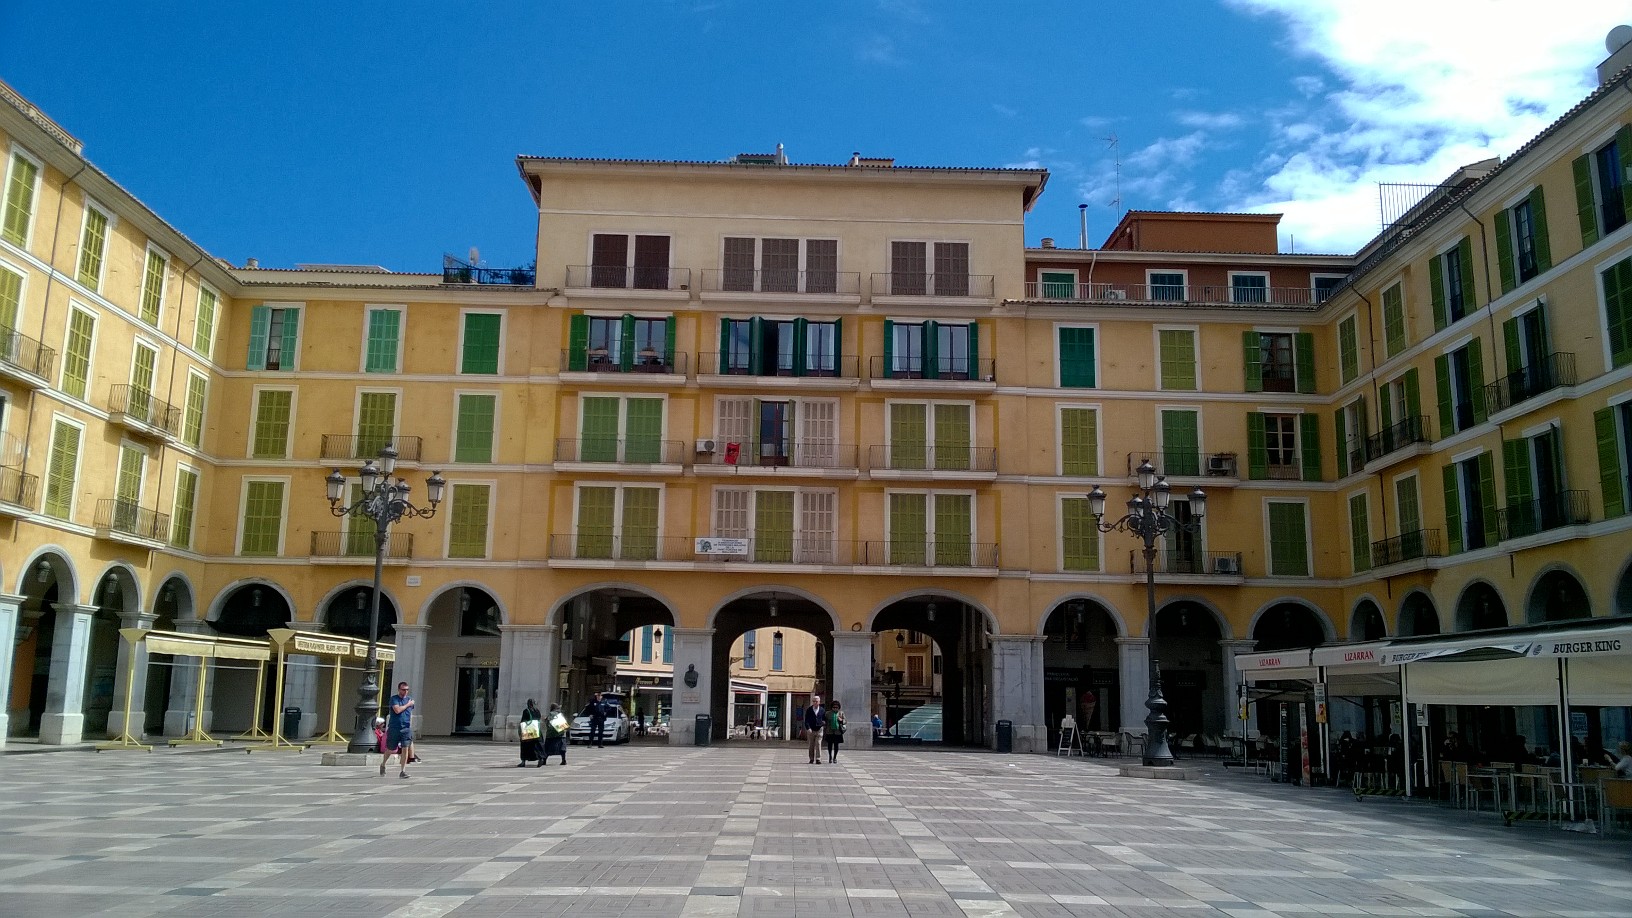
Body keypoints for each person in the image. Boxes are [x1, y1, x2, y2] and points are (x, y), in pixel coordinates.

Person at [382, 681, 416, 779]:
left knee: (405, 749)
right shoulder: (394, 699)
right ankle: (383, 764)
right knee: (390, 749)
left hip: (405, 729)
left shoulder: (410, 700)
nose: (405, 691)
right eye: (403, 689)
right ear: (399, 690)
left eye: (407, 690)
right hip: (394, 728)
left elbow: (410, 714)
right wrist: (408, 704)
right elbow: (397, 710)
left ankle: (403, 771)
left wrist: (410, 726)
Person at [518, 698, 542, 767]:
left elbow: (523, 721)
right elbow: (539, 718)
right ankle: (540, 758)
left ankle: (523, 762)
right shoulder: (537, 711)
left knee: (525, 746)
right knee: (537, 746)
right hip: (536, 731)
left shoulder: (526, 711)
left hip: (528, 731)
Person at [803, 696, 826, 764]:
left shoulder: (822, 710)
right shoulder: (809, 710)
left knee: (818, 744)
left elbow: (824, 718)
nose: (815, 703)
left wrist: (823, 723)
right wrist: (808, 728)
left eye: (816, 701)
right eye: (814, 701)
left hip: (819, 729)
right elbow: (806, 720)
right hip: (811, 729)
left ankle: (818, 759)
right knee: (811, 745)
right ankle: (811, 758)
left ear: (819, 702)